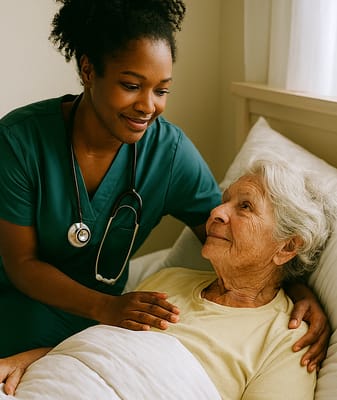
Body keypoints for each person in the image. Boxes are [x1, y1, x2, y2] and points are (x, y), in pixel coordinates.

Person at [0, 0, 329, 395]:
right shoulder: (20, 140)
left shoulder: (167, 154)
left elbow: (241, 238)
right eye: (131, 85)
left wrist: (296, 289)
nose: (148, 105)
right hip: (19, 303)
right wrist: (106, 308)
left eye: (162, 90)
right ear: (88, 70)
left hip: (96, 329)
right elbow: (21, 263)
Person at [3, 160, 335, 399]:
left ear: (288, 246)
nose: (217, 214)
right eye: (224, 202)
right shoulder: (169, 278)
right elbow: (101, 351)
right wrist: (25, 360)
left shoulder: (287, 341)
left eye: (245, 206)